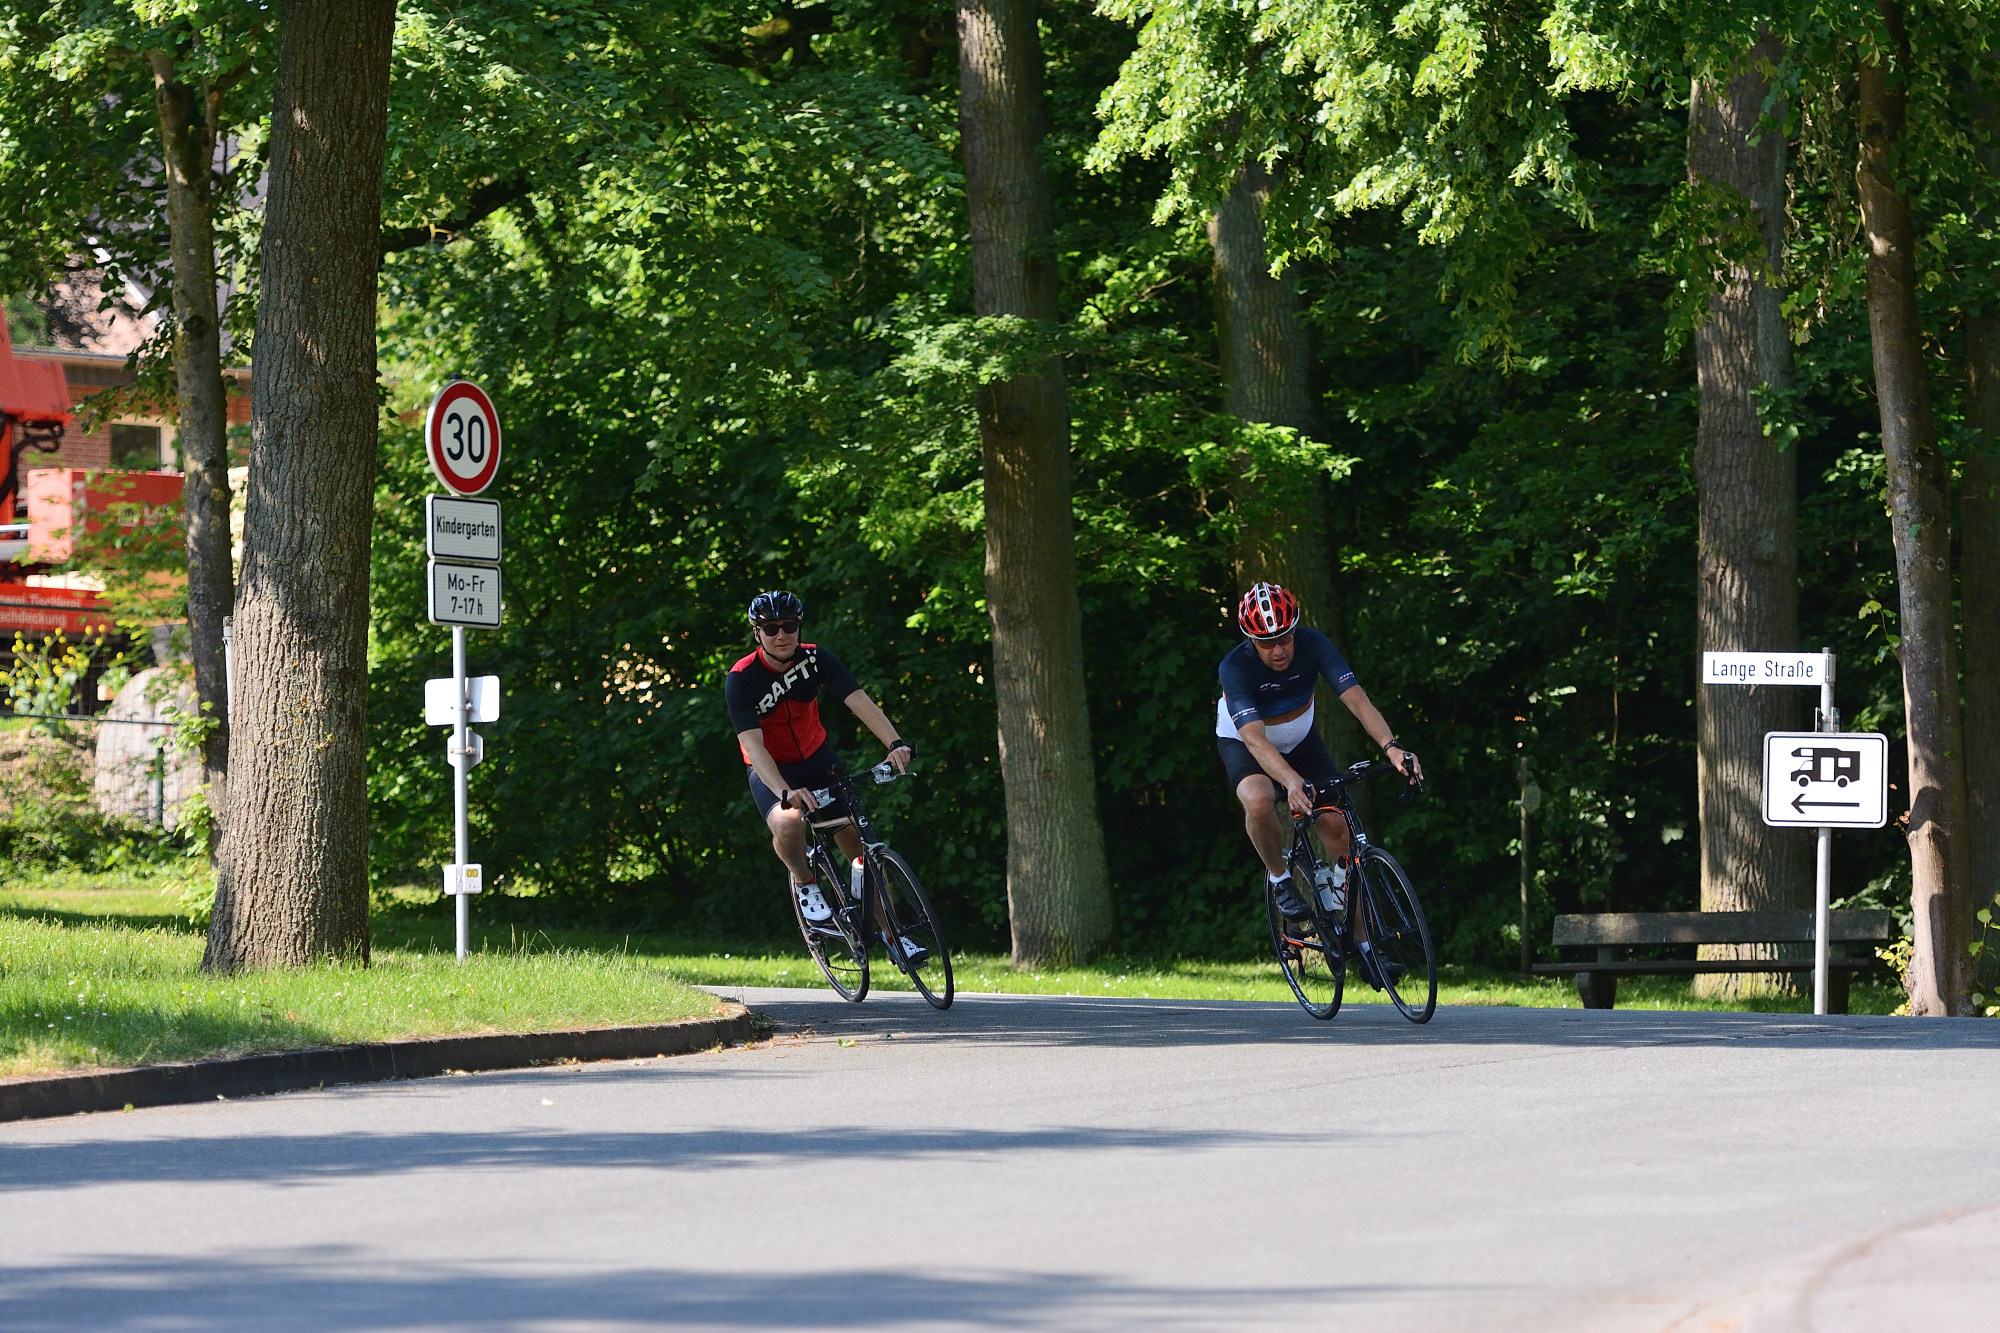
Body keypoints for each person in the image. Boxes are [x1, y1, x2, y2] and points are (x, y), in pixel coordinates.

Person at [1217, 582, 1422, 980]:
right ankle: (1280, 879)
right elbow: (1254, 739)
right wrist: (1291, 781)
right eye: (1266, 643)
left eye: (1285, 638)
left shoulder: (1314, 644)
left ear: (1296, 630)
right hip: (1247, 744)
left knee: (1338, 829)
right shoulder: (1234, 667)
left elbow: (1357, 699)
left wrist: (1392, 748)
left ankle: (1365, 947)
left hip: (1301, 739)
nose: (1278, 650)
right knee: (1258, 799)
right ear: (1251, 641)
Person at [724, 591, 919, 954]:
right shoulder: (741, 678)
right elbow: (752, 745)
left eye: (789, 626)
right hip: (772, 768)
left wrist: (895, 743)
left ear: (799, 627)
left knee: (860, 848)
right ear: (757, 634)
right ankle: (805, 882)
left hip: (817, 758)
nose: (781, 635)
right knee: (788, 823)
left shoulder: (816, 659)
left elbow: (859, 700)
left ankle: (895, 935)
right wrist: (785, 791)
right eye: (771, 629)